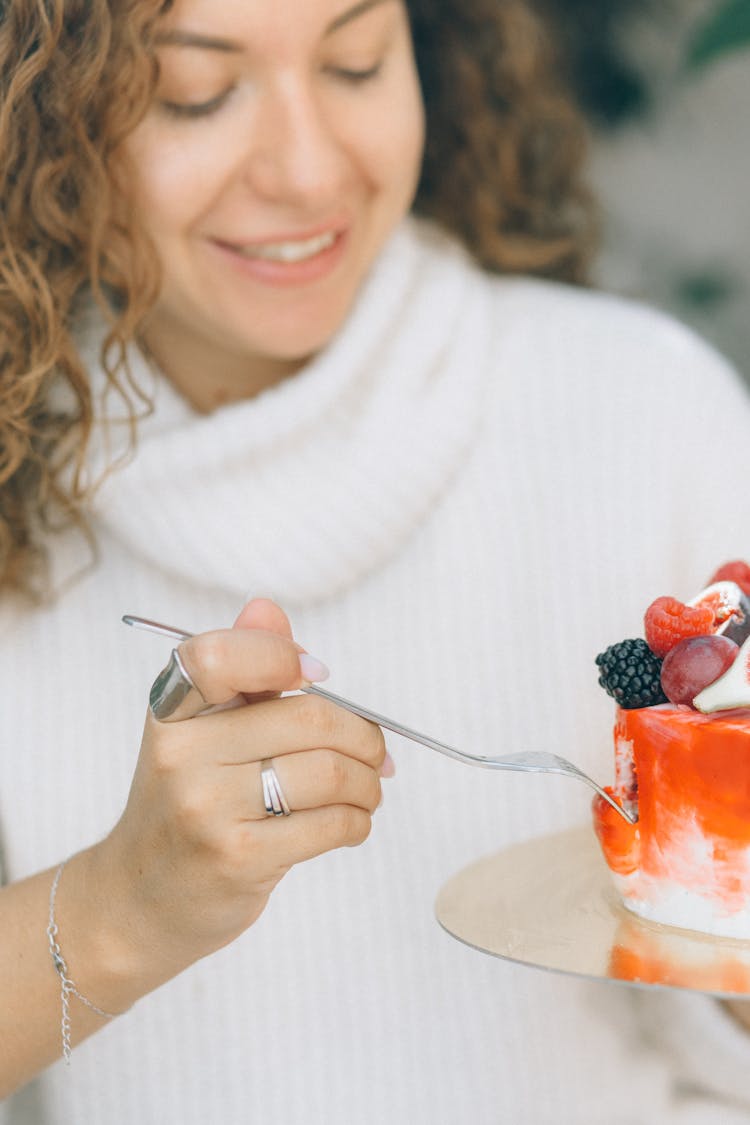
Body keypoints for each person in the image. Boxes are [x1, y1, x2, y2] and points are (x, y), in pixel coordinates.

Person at [2, 1, 750, 1121]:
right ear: (37, 131)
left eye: (355, 65)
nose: (308, 172)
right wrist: (124, 908)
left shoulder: (647, 408)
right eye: (197, 93)